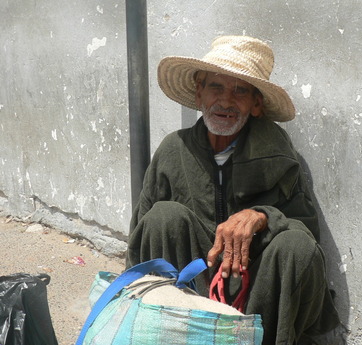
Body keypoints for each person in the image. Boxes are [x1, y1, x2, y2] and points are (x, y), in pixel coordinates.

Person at [126, 35, 340, 344]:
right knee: (164, 217)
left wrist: (262, 215)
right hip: (190, 288)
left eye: (240, 90)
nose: (226, 100)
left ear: (256, 105)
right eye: (216, 87)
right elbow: (141, 238)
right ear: (199, 94)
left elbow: (306, 237)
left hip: (255, 294)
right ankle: (172, 333)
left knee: (295, 245)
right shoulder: (174, 150)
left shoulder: (278, 154)